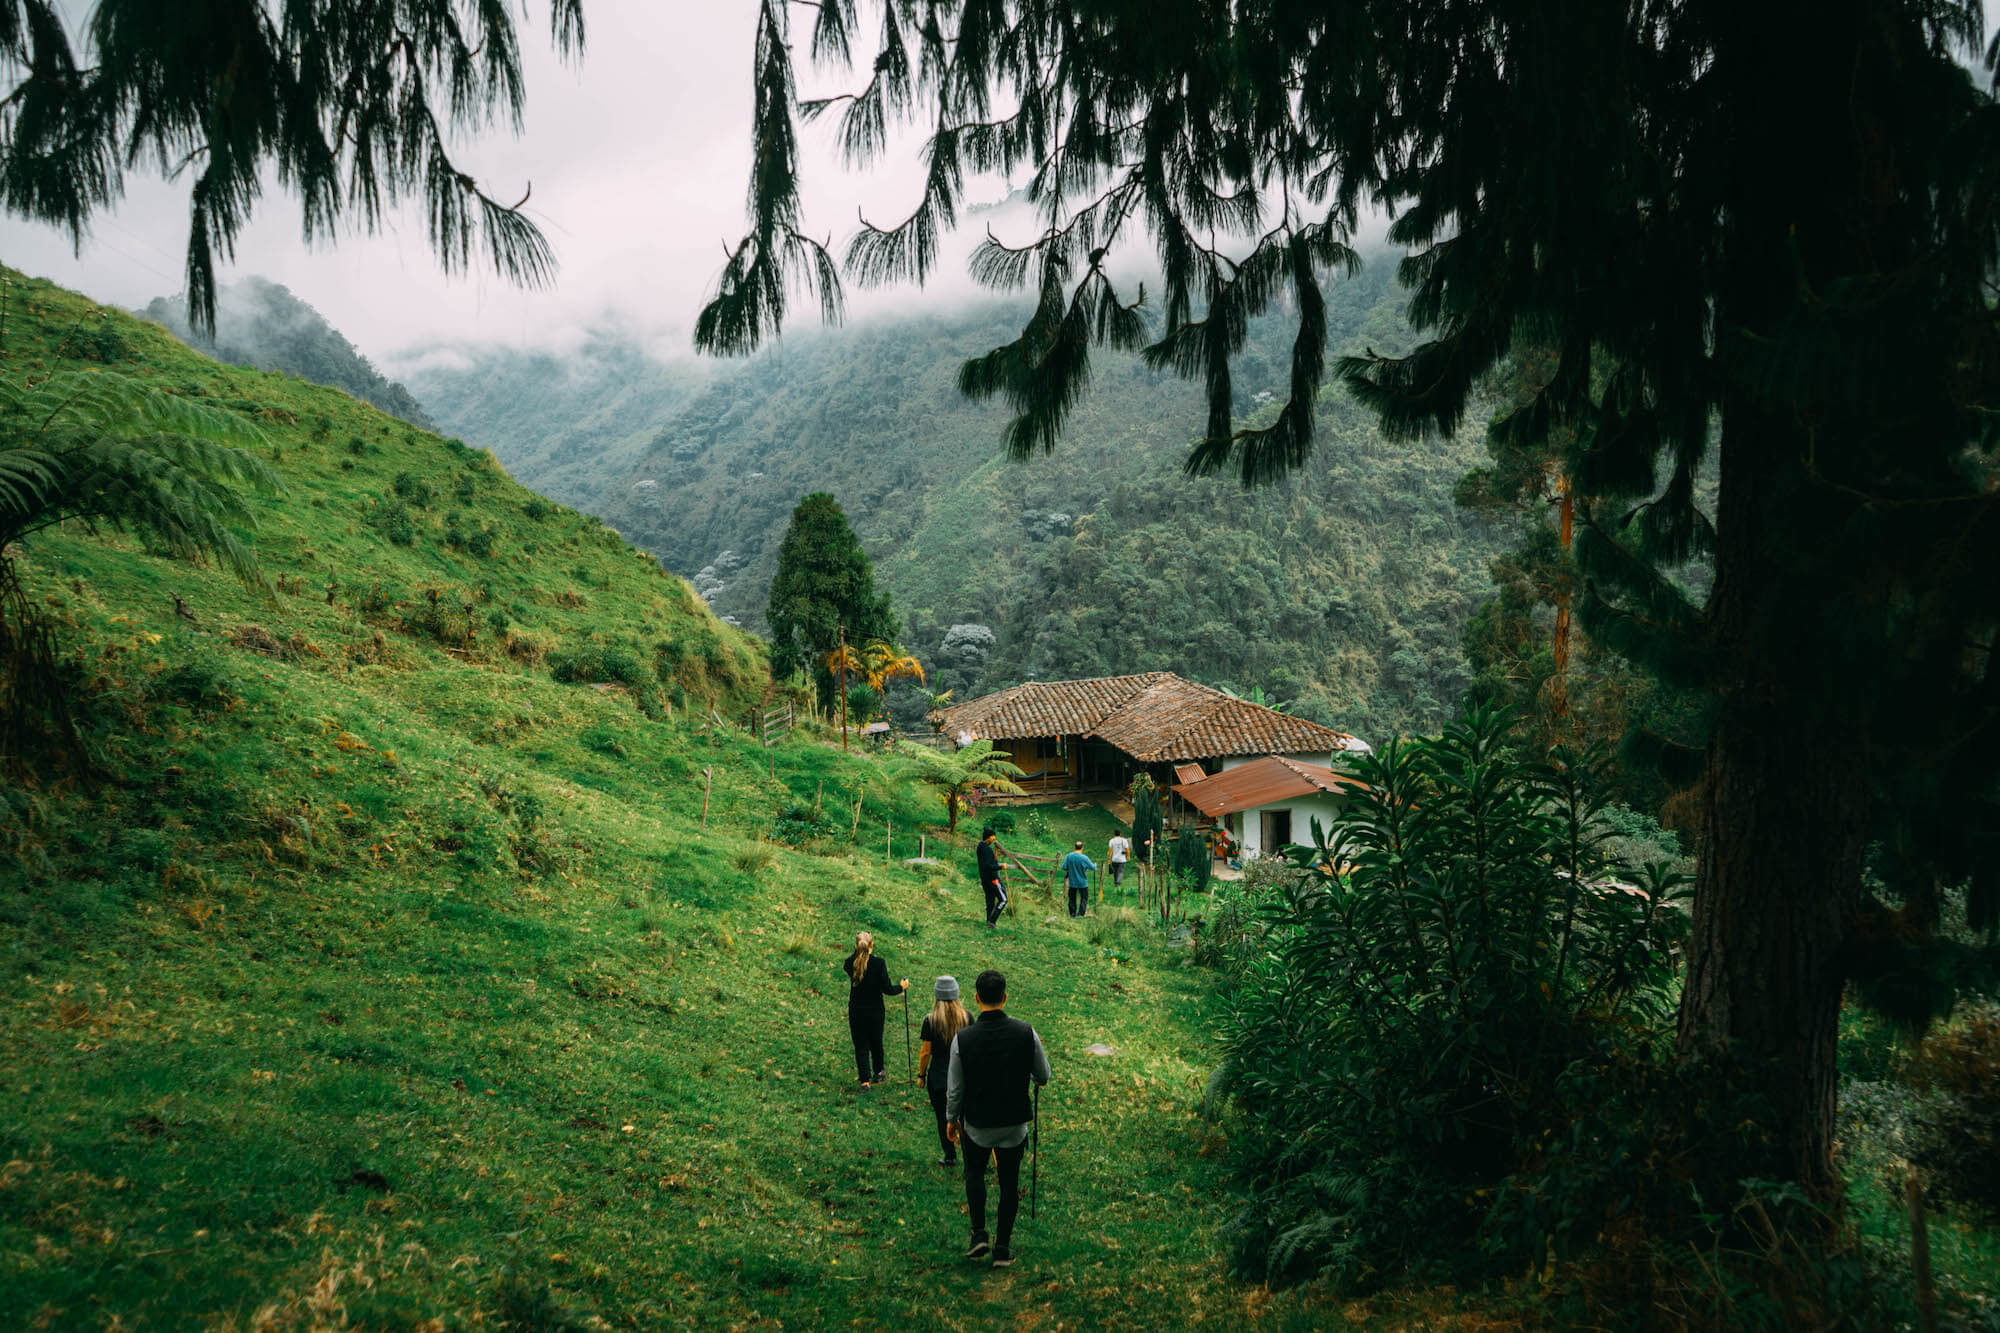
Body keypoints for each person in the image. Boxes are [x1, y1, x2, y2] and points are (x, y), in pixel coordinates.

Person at [946, 969, 1051, 1268]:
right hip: (1014, 1123)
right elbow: (1043, 1075)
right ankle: (1002, 1248)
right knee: (1009, 1183)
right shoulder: (1025, 1032)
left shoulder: (962, 1039)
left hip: (977, 1123)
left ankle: (979, 1233)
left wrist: (951, 1118)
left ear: (977, 999)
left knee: (974, 1173)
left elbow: (955, 1089)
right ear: (1005, 997)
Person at [842, 931, 909, 1089]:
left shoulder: (849, 963)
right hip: (875, 1011)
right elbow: (887, 989)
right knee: (876, 1041)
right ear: (872, 945)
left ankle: (865, 1080)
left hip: (856, 1011)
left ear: (856, 946)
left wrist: (858, 950)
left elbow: (852, 960)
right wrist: (902, 987)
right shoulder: (879, 964)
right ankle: (879, 1071)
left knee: (861, 1045)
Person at [916, 975, 971, 1167]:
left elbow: (925, 1052)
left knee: (942, 1117)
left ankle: (949, 1155)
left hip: (939, 1078)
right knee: (964, 1118)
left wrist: (921, 1075)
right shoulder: (967, 1017)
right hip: (964, 1077)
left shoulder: (930, 1020)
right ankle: (970, 1155)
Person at [976, 827, 1008, 927]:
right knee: (1003, 899)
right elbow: (988, 866)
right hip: (992, 878)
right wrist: (1000, 867)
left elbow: (987, 863)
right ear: (988, 837)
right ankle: (992, 921)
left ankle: (988, 921)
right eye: (993, 837)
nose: (994, 839)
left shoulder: (980, 847)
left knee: (990, 900)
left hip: (985, 879)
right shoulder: (986, 849)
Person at [1061, 841, 1096, 918]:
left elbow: (1063, 867)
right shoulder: (1084, 858)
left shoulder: (1069, 856)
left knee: (1072, 898)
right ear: (1082, 848)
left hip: (1072, 882)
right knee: (1084, 898)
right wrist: (1095, 865)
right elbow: (1093, 868)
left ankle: (1072, 914)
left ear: (1074, 847)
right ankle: (1081, 914)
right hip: (1082, 882)